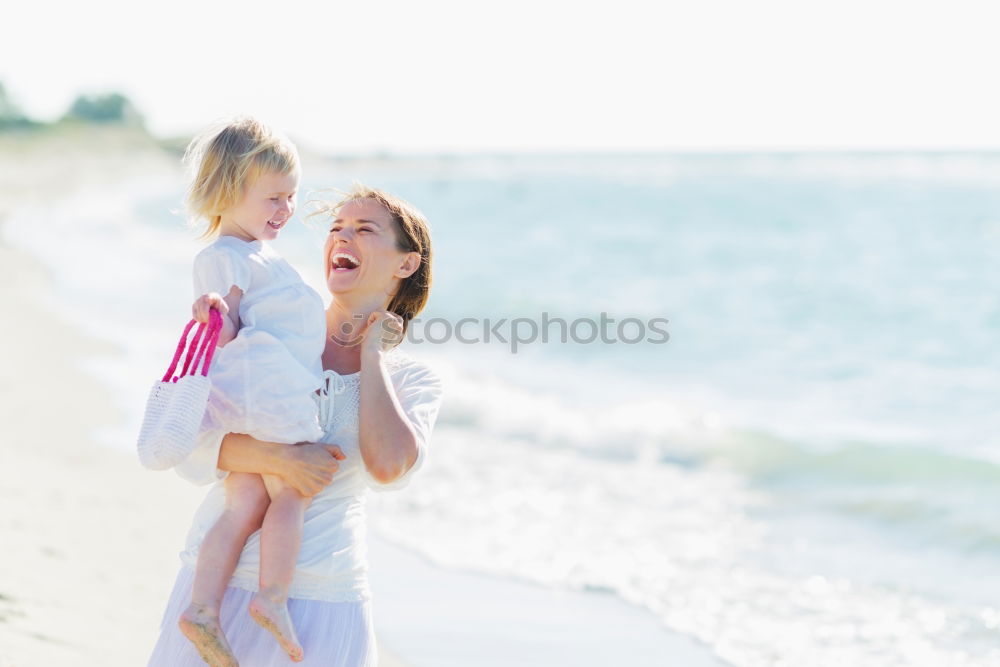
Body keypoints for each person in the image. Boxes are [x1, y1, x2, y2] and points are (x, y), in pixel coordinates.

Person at [146, 183, 442, 667]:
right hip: (217, 591)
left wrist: (372, 355)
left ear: (405, 264)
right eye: (336, 228)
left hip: (325, 597)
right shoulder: (271, 328)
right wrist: (281, 460)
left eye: (364, 230)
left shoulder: (413, 379)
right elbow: (191, 444)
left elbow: (388, 467)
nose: (341, 239)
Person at [166, 116, 328, 664]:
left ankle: (204, 609)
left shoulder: (256, 253)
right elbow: (225, 325)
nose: (286, 209)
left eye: (292, 196)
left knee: (246, 500)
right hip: (265, 387)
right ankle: (273, 596)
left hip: (257, 391)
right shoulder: (225, 257)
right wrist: (216, 316)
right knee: (290, 491)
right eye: (274, 198)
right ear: (230, 190)